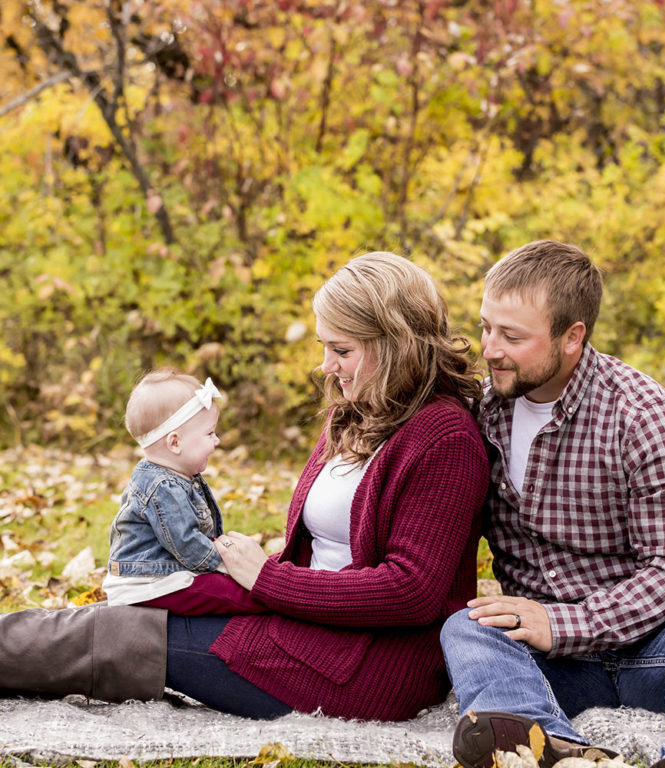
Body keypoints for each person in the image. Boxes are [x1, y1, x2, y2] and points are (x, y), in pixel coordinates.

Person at [0, 251, 489, 723]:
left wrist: (267, 579)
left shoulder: (445, 439)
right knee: (131, 612)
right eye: (324, 347)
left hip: (366, 666)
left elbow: (411, 592)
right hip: (307, 624)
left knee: (128, 635)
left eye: (341, 350)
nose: (325, 365)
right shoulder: (357, 414)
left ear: (396, 344)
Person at [440, 240, 665, 768]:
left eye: (512, 336)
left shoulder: (645, 417)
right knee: (467, 629)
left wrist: (568, 623)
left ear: (573, 337)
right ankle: (549, 747)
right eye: (486, 327)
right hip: (548, 661)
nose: (489, 348)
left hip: (655, 644)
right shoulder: (483, 413)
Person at [104, 369, 256, 615]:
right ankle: (270, 608)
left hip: (167, 575)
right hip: (149, 583)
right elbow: (186, 542)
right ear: (175, 443)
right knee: (235, 593)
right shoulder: (162, 485)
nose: (216, 440)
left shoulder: (177, 476)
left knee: (228, 587)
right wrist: (227, 563)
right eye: (209, 433)